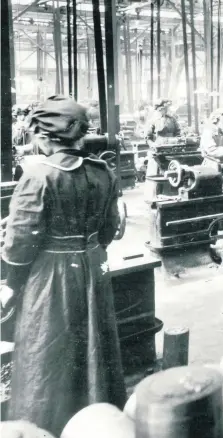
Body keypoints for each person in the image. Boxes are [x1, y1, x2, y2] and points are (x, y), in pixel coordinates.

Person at [1, 95, 126, 436]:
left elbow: (18, 246)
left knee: (48, 349)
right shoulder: (104, 173)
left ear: (43, 137)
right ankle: (100, 422)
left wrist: (10, 283)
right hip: (93, 268)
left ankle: (46, 425)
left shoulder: (38, 176)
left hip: (51, 277)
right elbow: (110, 230)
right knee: (94, 345)